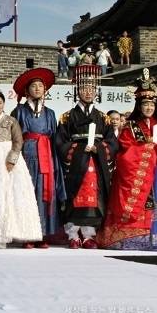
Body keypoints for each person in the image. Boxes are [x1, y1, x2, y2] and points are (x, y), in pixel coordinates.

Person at [99, 68, 157, 250]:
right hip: (140, 175)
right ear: (139, 106)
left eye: (151, 104)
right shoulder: (130, 128)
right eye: (145, 104)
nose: (149, 108)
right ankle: (139, 236)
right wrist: (149, 149)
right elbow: (124, 152)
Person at [56, 65, 117, 249]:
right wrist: (79, 149)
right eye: (84, 88)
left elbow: (112, 142)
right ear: (77, 91)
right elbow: (60, 142)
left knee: (94, 197)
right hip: (75, 164)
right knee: (74, 196)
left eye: (92, 88)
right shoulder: (66, 117)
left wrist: (99, 148)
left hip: (95, 162)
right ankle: (73, 235)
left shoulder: (104, 118)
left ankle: (89, 235)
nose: (88, 92)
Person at [11, 68, 66, 247]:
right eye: (33, 86)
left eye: (40, 86)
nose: (37, 89)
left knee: (44, 193)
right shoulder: (19, 111)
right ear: (27, 90)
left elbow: (55, 136)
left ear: (45, 90)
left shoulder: (50, 113)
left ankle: (42, 234)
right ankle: (27, 235)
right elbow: (14, 137)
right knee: (27, 193)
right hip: (26, 156)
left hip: (46, 155)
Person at [0, 91, 42, 248]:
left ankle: (10, 233)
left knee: (10, 194)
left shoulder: (11, 121)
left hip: (6, 158)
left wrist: (12, 160)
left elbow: (18, 141)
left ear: (3, 104)